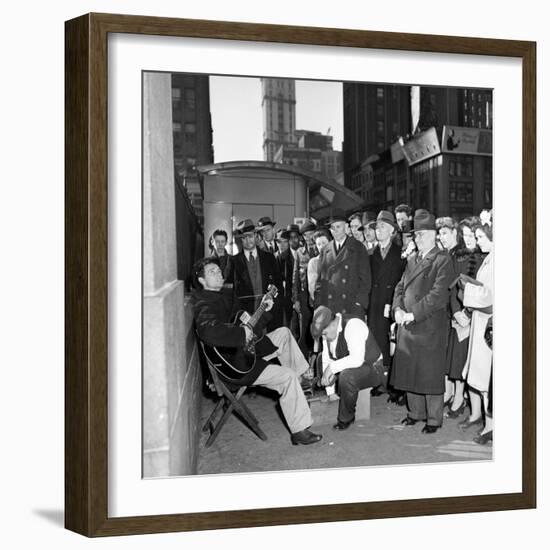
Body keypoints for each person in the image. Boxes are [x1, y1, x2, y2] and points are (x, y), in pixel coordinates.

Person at [192, 257, 322, 446]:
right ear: (202, 280)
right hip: (238, 366)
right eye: (212, 272)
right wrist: (240, 333)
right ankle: (300, 430)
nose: (219, 273)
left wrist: (265, 310)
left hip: (243, 351)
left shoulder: (222, 296)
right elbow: (210, 331)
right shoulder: (204, 303)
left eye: (219, 270)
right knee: (287, 377)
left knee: (284, 333)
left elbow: (248, 328)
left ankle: (303, 381)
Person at [390, 209, 455, 434]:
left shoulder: (442, 259)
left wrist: (412, 314)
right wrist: (398, 308)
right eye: (416, 235)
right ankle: (414, 413)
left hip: (428, 325)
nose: (418, 238)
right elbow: (400, 286)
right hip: (408, 322)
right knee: (410, 371)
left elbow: (438, 296)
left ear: (434, 235)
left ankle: (434, 419)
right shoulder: (412, 259)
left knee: (429, 373)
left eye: (423, 234)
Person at [436, 216, 485, 418]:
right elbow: (455, 286)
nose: (470, 238)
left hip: (476, 314)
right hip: (459, 315)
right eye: (466, 235)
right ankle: (456, 397)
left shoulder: (483, 256)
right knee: (456, 359)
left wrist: (466, 313)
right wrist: (457, 312)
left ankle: (463, 401)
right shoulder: (461, 256)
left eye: (472, 234)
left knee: (469, 362)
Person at [311, 306, 386, 428]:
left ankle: (346, 418)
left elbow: (356, 359)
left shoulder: (353, 325)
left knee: (346, 376)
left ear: (333, 325)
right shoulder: (328, 333)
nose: (323, 339)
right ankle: (341, 394)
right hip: (350, 367)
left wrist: (331, 368)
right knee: (322, 361)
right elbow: (327, 359)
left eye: (324, 334)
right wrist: (330, 392)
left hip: (372, 367)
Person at [458, 222, 494, 445]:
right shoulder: (490, 258)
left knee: (488, 377)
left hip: (488, 323)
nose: (478, 240)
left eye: (481, 236)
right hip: (481, 321)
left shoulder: (496, 260)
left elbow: (490, 295)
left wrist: (467, 290)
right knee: (481, 375)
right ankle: (487, 423)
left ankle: (491, 426)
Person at [367, 210, 406, 399]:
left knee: (392, 344)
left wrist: (395, 305)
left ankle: (395, 385)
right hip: (375, 304)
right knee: (377, 344)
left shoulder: (400, 254)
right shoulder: (370, 253)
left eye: (382, 227)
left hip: (392, 304)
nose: (378, 230)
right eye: (376, 227)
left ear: (392, 231)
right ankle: (380, 382)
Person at [315, 209, 372, 318]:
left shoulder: (358, 248)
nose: (335, 231)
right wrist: (319, 305)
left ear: (346, 227)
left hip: (351, 307)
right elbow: (320, 281)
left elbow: (365, 280)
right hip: (329, 308)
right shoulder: (325, 250)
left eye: (338, 227)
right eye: (332, 228)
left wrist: (359, 304)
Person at [232, 218, 284, 331]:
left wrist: (273, 298)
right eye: (244, 238)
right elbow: (231, 293)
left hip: (269, 315)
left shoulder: (269, 258)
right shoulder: (233, 261)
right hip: (246, 318)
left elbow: (278, 284)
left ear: (256, 236)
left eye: (250, 236)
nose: (248, 240)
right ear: (240, 240)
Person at [307, 228, 332, 305]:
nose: (321, 246)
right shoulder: (314, 262)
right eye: (319, 244)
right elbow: (312, 288)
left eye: (324, 243)